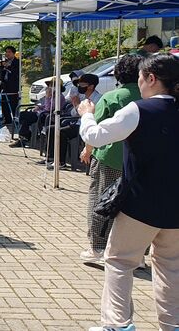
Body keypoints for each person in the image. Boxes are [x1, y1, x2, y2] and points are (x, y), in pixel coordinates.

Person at [78, 54, 179, 331]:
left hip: (140, 202)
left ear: (151, 79)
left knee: (120, 262)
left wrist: (86, 114)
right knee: (171, 267)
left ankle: (117, 324)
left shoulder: (139, 110)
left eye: (141, 78)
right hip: (176, 208)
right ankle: (173, 324)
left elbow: (96, 136)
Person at [78, 55, 143, 265]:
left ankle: (98, 248)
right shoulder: (149, 98)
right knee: (134, 206)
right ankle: (137, 252)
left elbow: (96, 131)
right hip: (141, 162)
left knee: (101, 201)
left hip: (110, 158)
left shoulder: (112, 97)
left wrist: (87, 151)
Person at [41, 73, 101, 168]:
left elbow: (89, 114)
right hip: (77, 122)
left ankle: (61, 162)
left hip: (86, 126)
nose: (79, 87)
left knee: (61, 132)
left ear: (91, 86)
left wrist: (77, 105)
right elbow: (74, 113)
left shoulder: (97, 99)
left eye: (82, 85)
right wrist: (76, 105)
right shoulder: (84, 97)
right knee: (51, 129)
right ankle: (51, 158)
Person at [11, 77, 63, 147]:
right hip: (41, 113)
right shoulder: (52, 95)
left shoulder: (59, 97)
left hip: (48, 116)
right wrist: (39, 107)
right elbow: (44, 105)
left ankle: (25, 137)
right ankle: (25, 136)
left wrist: (47, 97)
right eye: (50, 85)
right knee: (23, 115)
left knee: (27, 117)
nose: (50, 87)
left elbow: (48, 109)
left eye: (52, 85)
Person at [0, 46, 20, 126]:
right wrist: (2, 67)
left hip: (13, 86)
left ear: (13, 53)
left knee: (13, 103)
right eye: (6, 52)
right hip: (4, 85)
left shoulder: (17, 62)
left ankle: (15, 118)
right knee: (4, 103)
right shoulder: (3, 62)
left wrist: (8, 67)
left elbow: (16, 72)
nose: (7, 54)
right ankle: (7, 119)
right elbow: (0, 73)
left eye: (9, 52)